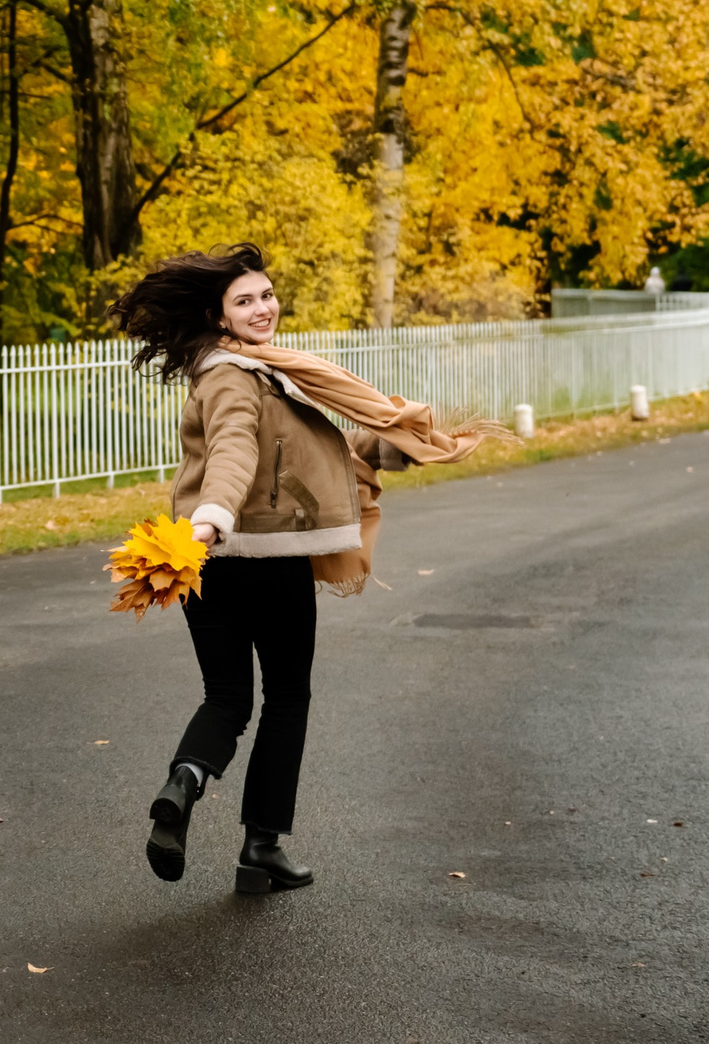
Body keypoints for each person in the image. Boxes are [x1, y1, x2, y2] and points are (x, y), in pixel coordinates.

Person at [110, 243, 491, 895]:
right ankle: (262, 848)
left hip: (208, 565)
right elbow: (233, 453)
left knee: (226, 698)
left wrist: (393, 445)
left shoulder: (263, 371)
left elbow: (310, 451)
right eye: (245, 300)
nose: (262, 307)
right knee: (287, 697)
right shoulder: (233, 378)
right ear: (218, 314)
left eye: (265, 294)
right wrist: (210, 517)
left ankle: (186, 781)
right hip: (258, 558)